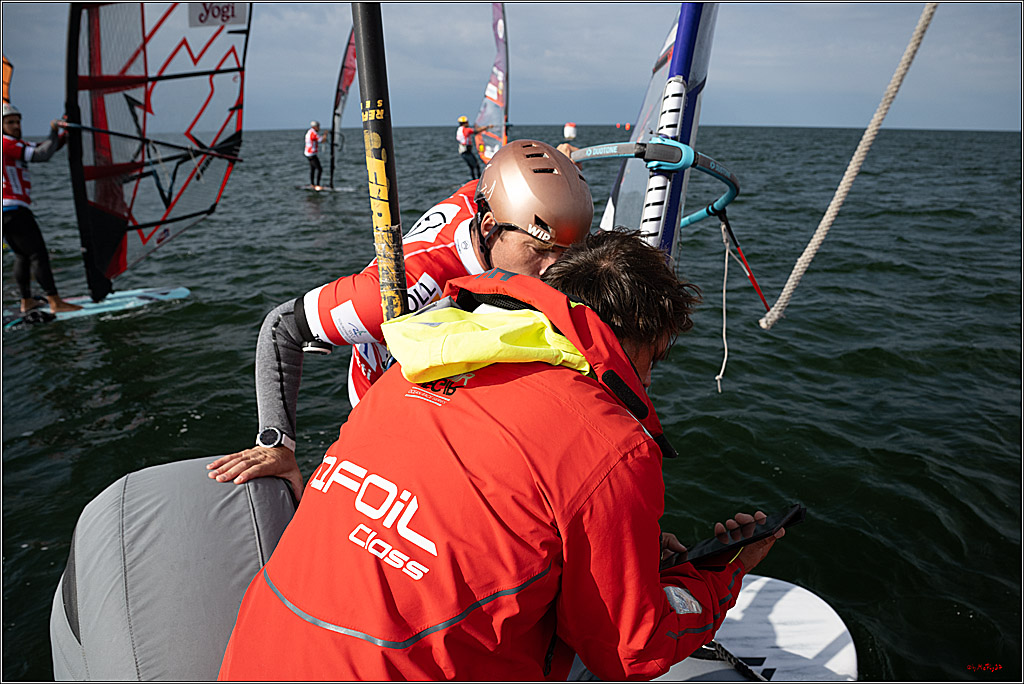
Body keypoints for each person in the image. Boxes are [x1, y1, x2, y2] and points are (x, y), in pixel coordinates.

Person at [217, 229, 785, 681]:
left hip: (251, 659)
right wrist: (722, 576)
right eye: (655, 359)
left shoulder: (413, 367)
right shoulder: (612, 448)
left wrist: (621, 553)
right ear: (637, 343)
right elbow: (631, 652)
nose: (649, 380)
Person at [207, 139, 593, 500]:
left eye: (565, 251)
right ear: (490, 228)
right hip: (390, 409)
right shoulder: (397, 291)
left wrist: (557, 163)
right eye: (539, 250)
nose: (552, 271)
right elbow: (282, 327)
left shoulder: (493, 200)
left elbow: (507, 173)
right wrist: (276, 444)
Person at [2, 103, 81, 314]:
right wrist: (54, 131)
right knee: (38, 254)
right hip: (13, 209)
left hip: (6, 212)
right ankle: (55, 302)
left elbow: (46, 147)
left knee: (22, 255)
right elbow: (41, 155)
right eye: (10, 122)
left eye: (18, 121)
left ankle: (26, 301)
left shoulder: (13, 144)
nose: (16, 126)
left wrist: (63, 135)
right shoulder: (6, 143)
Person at [455, 114, 490, 180]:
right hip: (466, 151)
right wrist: (487, 127)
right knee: (476, 165)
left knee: (472, 166)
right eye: (467, 122)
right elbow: (475, 131)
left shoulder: (459, 129)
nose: (468, 123)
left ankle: (474, 179)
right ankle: (477, 180)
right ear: (464, 123)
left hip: (464, 151)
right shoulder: (465, 130)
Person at [303, 120, 326, 189]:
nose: (319, 128)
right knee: (319, 169)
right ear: (315, 127)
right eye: (318, 127)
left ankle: (312, 184)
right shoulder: (313, 133)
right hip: (311, 154)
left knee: (313, 169)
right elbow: (322, 140)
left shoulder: (309, 132)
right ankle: (317, 185)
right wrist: (325, 135)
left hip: (308, 154)